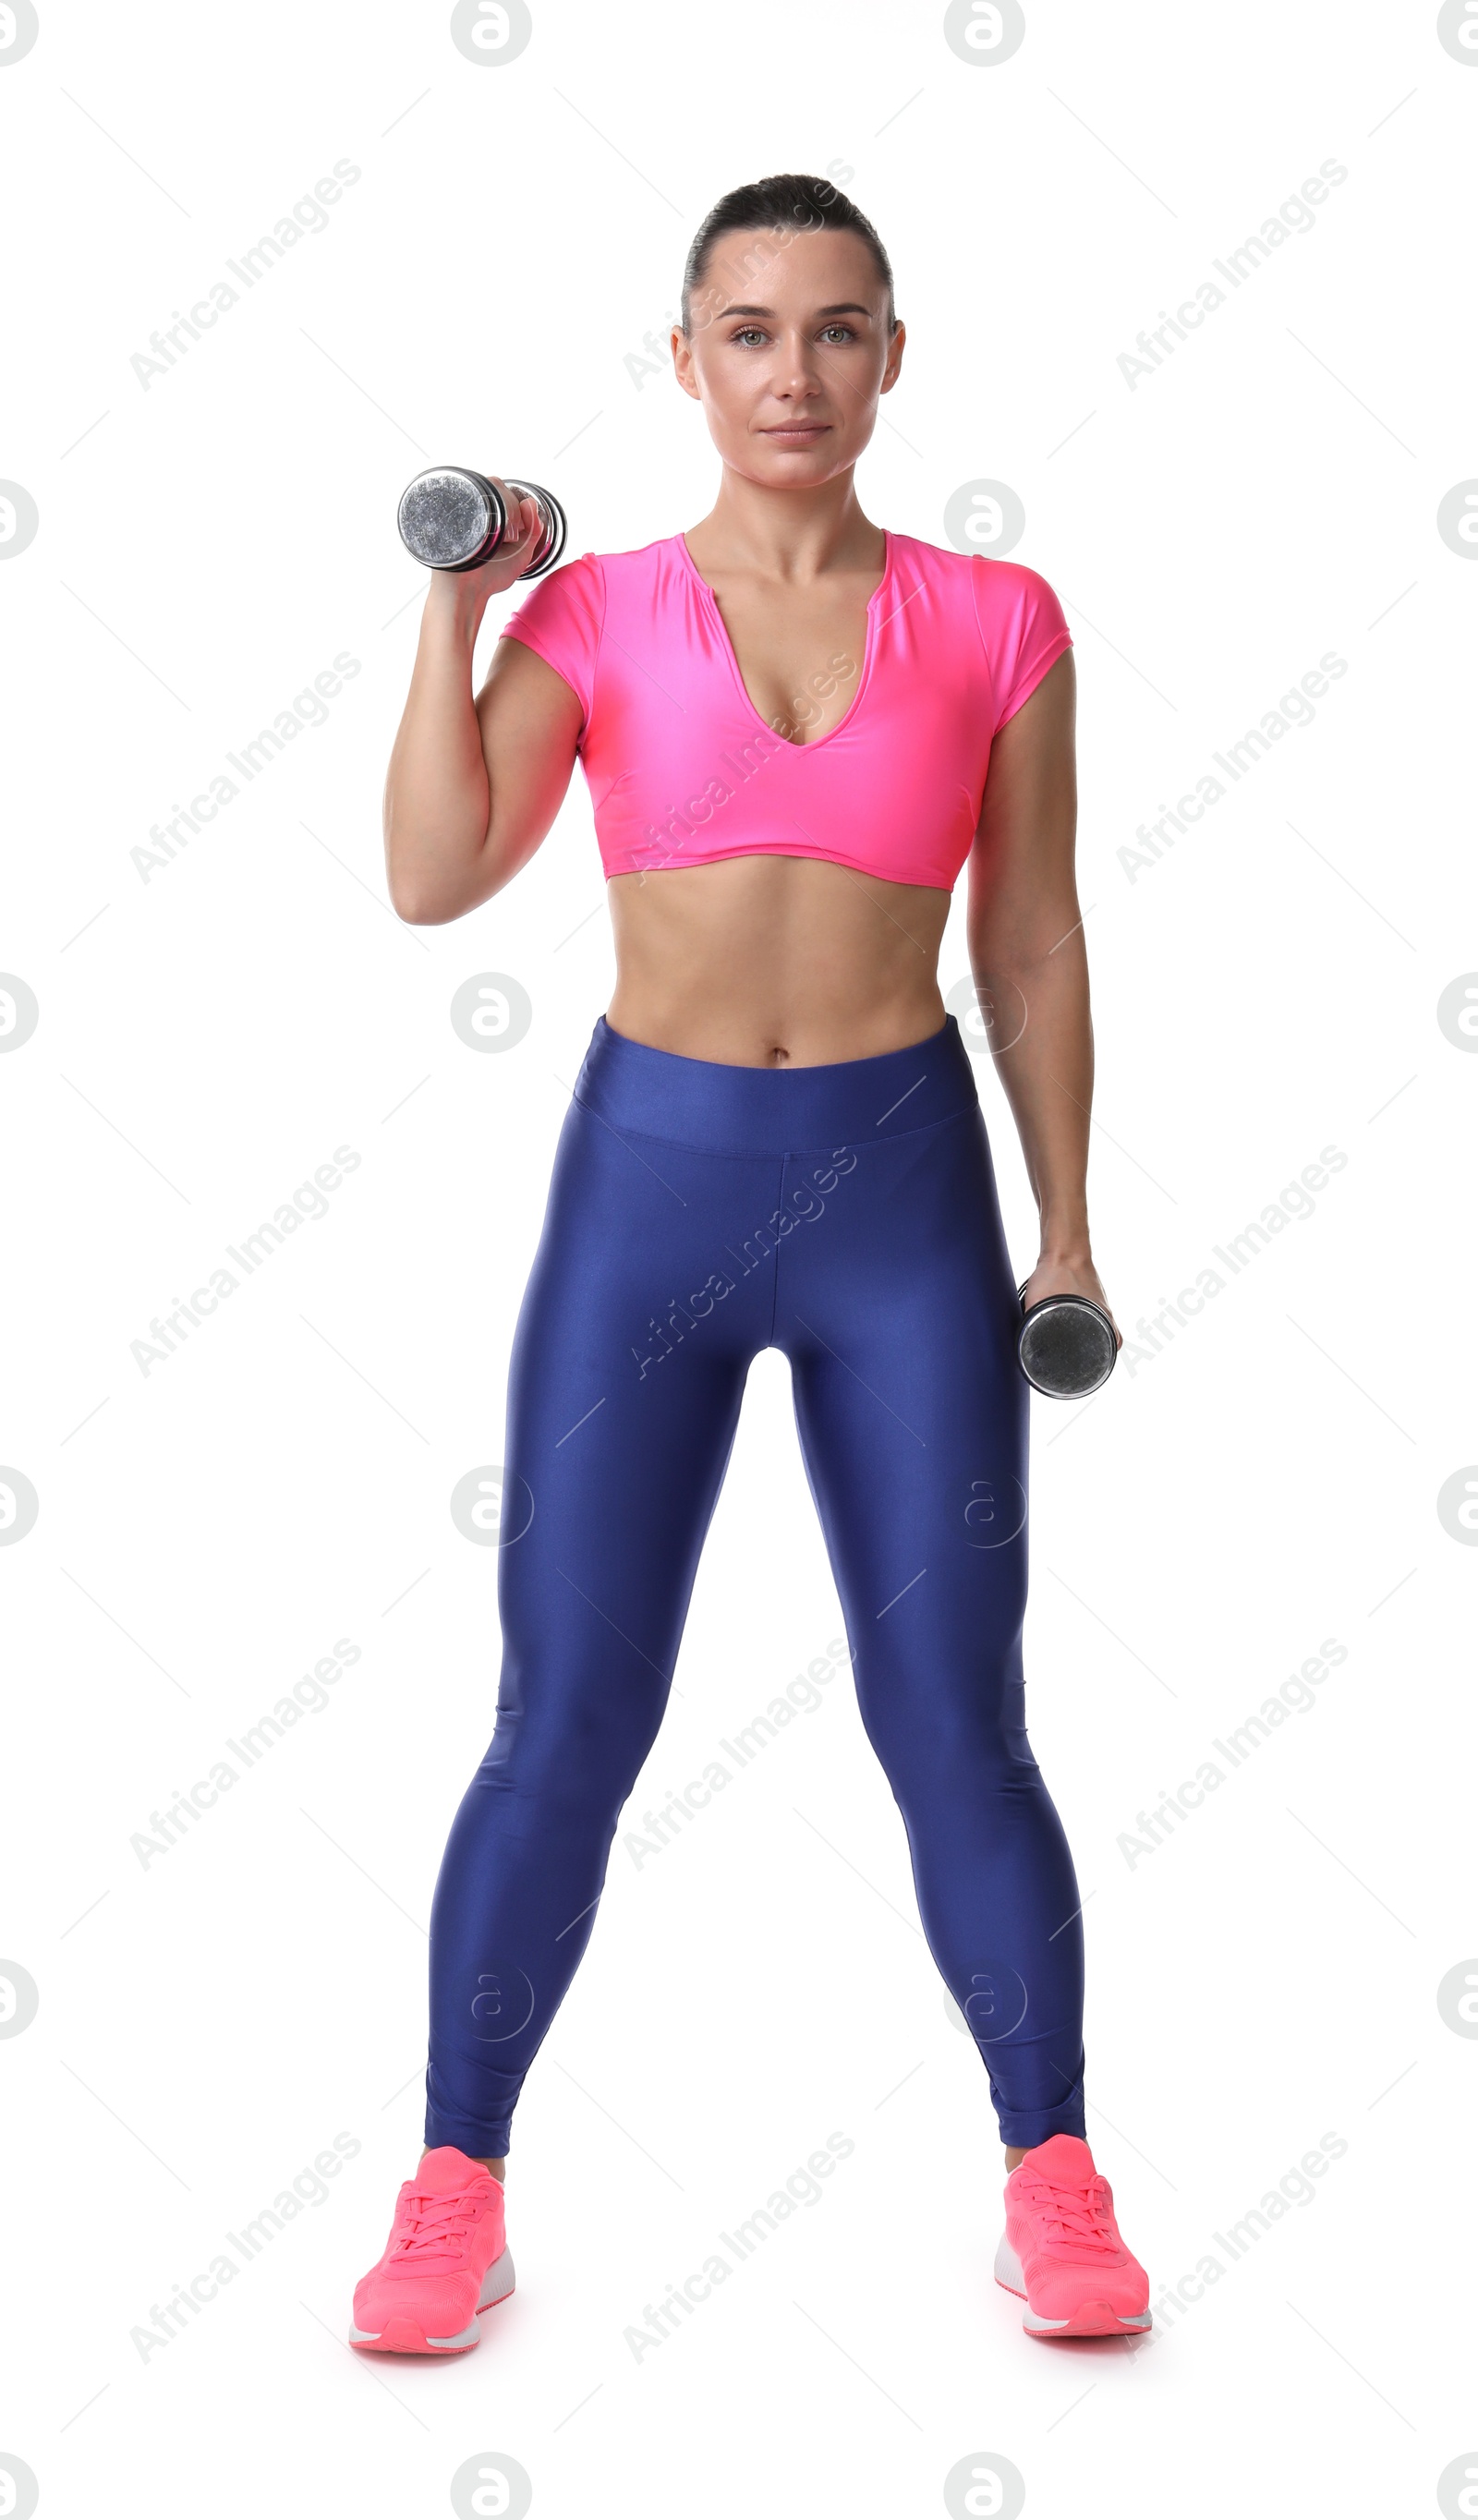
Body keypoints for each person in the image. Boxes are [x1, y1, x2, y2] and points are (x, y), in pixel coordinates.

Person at [348, 173, 1150, 2356]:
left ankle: (1051, 2170)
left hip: (898, 1192)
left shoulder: (999, 616)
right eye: (747, 332)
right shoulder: (591, 614)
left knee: (951, 1718)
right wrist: (456, 609)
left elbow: (1034, 933)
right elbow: (432, 875)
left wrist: (1064, 1217)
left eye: (834, 330)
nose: (789, 374)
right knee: (566, 1715)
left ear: (895, 357)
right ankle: (452, 2182)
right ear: (681, 359)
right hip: (651, 1200)